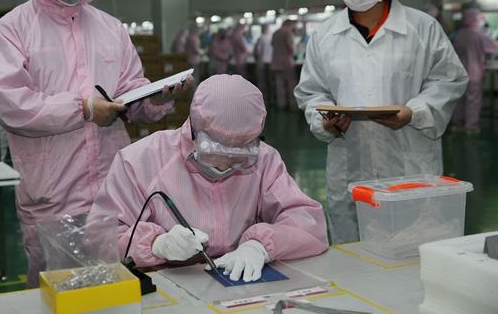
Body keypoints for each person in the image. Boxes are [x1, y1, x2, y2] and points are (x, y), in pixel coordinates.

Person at [0, 0, 192, 288]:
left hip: (112, 186)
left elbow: (129, 92)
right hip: (52, 192)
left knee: (116, 284)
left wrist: (155, 99)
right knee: (55, 288)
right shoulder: (13, 30)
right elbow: (13, 106)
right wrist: (83, 108)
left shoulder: (110, 28)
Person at [294, 0, 468, 244]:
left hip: (409, 160)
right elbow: (311, 91)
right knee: (354, 252)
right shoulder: (324, 35)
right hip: (351, 163)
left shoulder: (421, 28)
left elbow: (449, 79)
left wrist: (414, 112)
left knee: (412, 248)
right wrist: (324, 121)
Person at [88, 74, 328, 282]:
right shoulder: (140, 161)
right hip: (167, 287)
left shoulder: (264, 160)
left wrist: (260, 246)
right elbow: (99, 240)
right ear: (194, 131)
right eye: (213, 154)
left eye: (239, 158)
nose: (224, 166)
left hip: (239, 283)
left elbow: (309, 224)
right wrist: (156, 244)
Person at [451, 8, 498, 134]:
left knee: (459, 100)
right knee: (473, 100)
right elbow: (495, 47)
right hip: (474, 73)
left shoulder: (459, 34)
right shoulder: (478, 35)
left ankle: (457, 124)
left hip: (459, 73)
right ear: (476, 19)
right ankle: (470, 126)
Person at [271, 20, 298, 110]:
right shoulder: (288, 32)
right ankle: (292, 105)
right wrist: (294, 52)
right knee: (291, 84)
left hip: (276, 63)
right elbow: (290, 47)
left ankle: (281, 105)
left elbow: (272, 44)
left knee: (280, 85)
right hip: (287, 63)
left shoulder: (275, 33)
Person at [254, 24, 274, 105]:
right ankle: (271, 100)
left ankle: (262, 101)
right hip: (271, 63)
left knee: (262, 82)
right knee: (270, 82)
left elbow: (257, 52)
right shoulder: (271, 38)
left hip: (261, 63)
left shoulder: (260, 38)